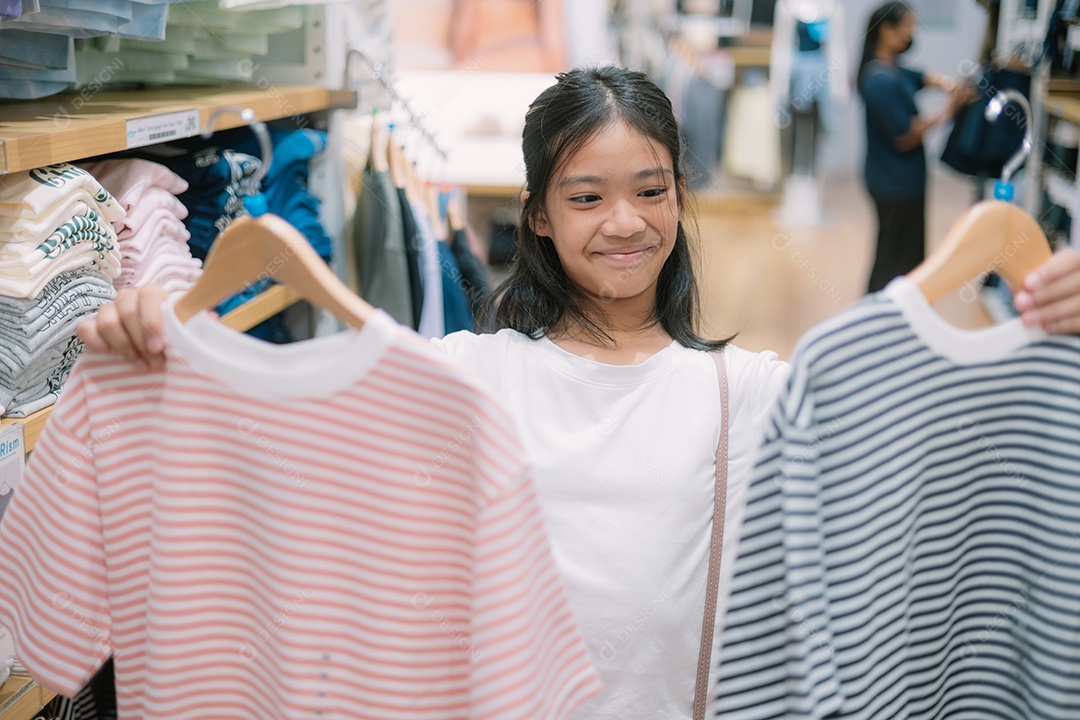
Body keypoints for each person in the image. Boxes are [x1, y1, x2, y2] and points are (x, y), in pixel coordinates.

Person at [77, 67, 1080, 719]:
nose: (626, 222)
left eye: (651, 190)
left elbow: (946, 456)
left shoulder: (752, 393)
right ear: (540, 219)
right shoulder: (468, 379)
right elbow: (284, 451)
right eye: (587, 197)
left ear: (681, 199)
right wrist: (167, 346)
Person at [858, 1, 977, 293]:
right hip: (894, 184)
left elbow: (920, 76)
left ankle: (894, 313)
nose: (911, 36)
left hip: (900, 182)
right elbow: (905, 136)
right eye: (908, 28)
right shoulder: (878, 81)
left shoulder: (890, 70)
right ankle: (877, 313)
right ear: (887, 32)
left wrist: (948, 85)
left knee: (904, 254)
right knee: (893, 257)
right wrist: (950, 111)